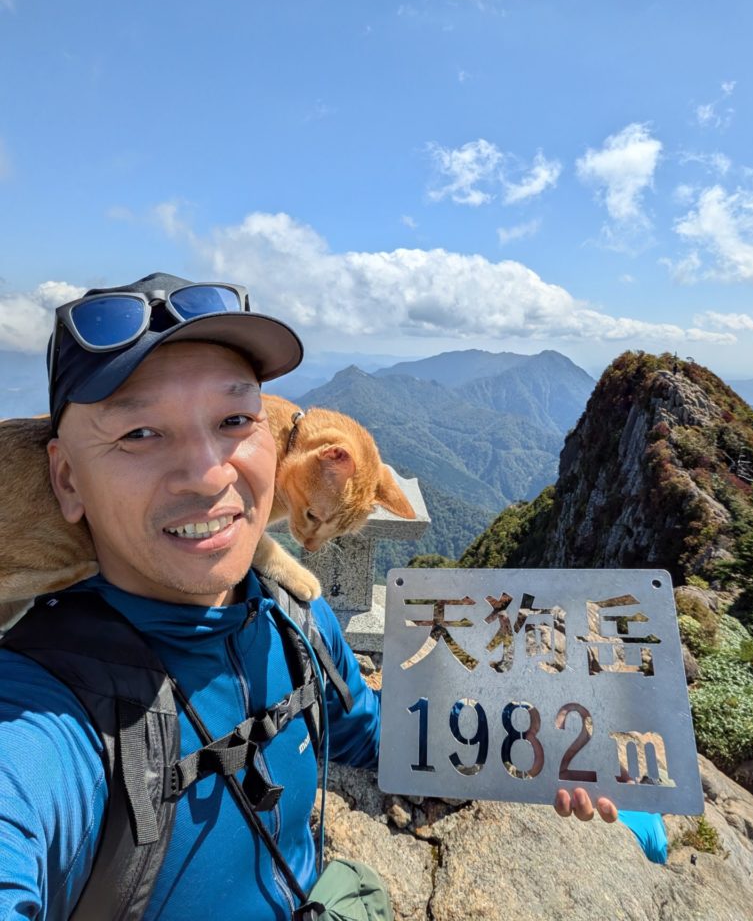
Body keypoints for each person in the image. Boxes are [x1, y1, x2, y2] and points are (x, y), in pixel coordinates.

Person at [0, 272, 663, 920]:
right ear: (67, 479)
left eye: (234, 418)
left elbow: (372, 731)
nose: (206, 474)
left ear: (271, 436)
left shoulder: (297, 616)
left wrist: (554, 754)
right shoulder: (41, 712)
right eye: (139, 433)